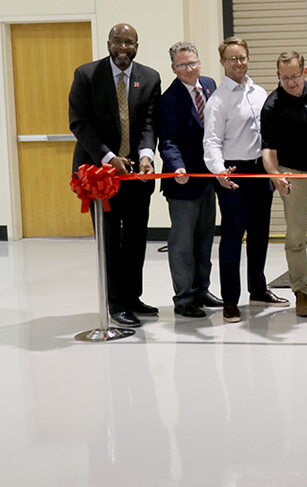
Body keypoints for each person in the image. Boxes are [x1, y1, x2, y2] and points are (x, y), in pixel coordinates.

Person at [68, 22, 162, 328]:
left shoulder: (149, 78)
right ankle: (115, 304)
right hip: (99, 174)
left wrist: (147, 155)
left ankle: (132, 298)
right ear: (109, 43)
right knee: (109, 241)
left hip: (136, 175)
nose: (124, 48)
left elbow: (149, 123)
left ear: (137, 45)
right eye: (119, 42)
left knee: (135, 238)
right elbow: (80, 124)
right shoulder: (86, 75)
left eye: (130, 43)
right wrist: (109, 157)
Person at [203, 37, 288, 322]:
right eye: (232, 59)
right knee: (232, 238)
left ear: (248, 58)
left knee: (260, 235)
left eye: (242, 58)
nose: (238, 63)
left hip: (260, 172)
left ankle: (258, 289)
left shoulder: (259, 92)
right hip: (233, 175)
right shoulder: (218, 100)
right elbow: (211, 141)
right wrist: (220, 172)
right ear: (223, 63)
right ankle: (230, 300)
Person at [261, 51, 307, 318]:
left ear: (305, 72)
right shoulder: (272, 105)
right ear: (278, 75)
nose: (291, 83)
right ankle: (301, 292)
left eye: (295, 76)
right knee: (296, 238)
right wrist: (275, 175)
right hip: (294, 177)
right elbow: (268, 150)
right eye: (284, 78)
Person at [157, 42, 223, 318]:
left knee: (205, 238)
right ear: (174, 68)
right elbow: (168, 141)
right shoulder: (168, 99)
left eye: (193, 62)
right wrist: (178, 167)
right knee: (182, 244)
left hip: (208, 179)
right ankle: (183, 298)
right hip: (183, 183)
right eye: (183, 65)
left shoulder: (209, 85)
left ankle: (201, 290)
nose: (189, 69)